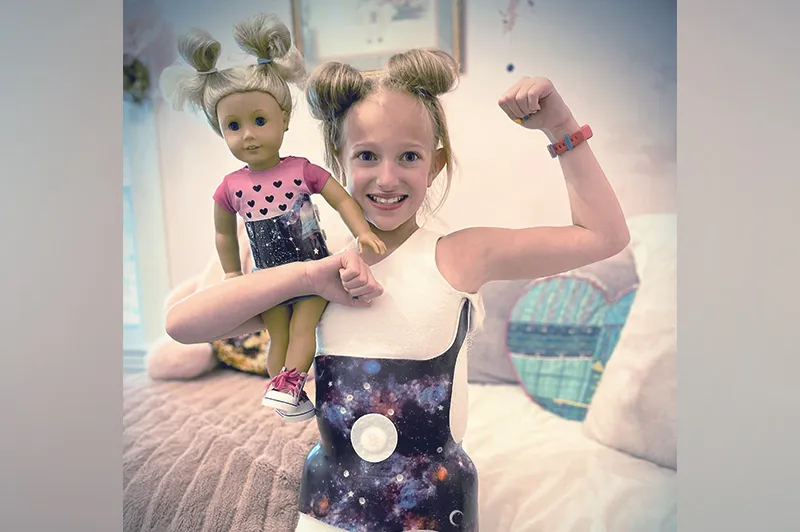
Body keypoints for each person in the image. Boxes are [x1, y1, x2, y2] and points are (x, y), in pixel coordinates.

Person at [166, 46, 629, 531]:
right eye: (367, 156)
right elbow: (181, 325)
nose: (387, 178)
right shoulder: (315, 265)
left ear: (435, 163)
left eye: (409, 156)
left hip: (434, 507)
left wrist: (560, 128)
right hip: (330, 508)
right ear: (337, 163)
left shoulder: (461, 256)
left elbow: (604, 237)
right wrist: (307, 276)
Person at [159, 13, 386, 422]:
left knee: (304, 330)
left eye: (259, 121)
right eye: (234, 126)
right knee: (278, 334)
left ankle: (287, 388)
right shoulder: (229, 187)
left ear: (283, 120)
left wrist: (363, 231)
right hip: (267, 279)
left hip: (316, 269)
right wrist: (231, 275)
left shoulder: (302, 170)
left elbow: (342, 200)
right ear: (221, 131)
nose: (248, 134)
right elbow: (224, 235)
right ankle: (284, 390)